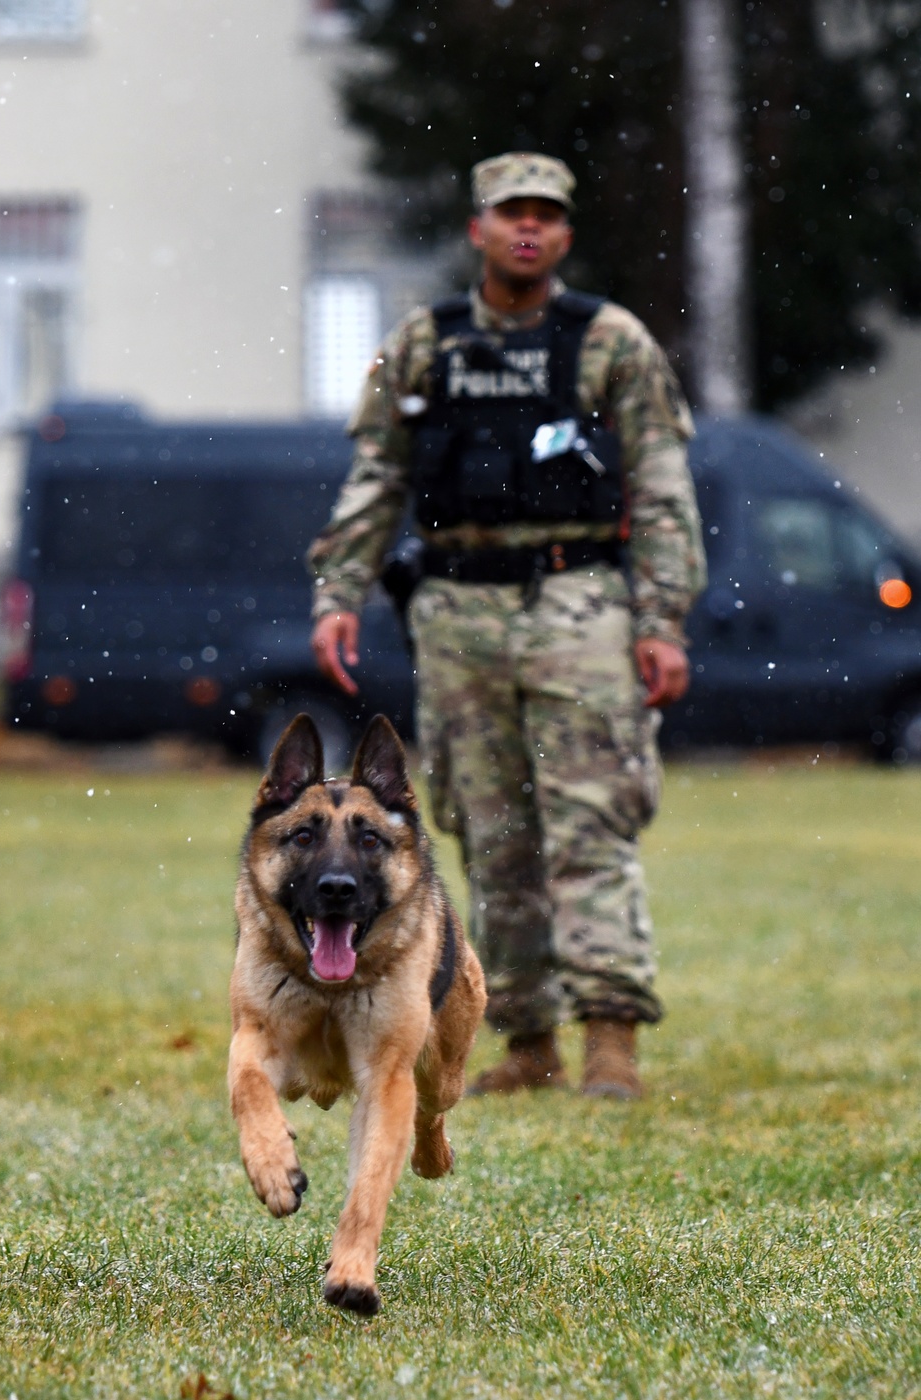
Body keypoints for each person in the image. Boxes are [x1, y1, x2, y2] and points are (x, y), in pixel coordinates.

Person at [307, 151, 706, 1098]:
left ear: (566, 233)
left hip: (579, 606)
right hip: (457, 614)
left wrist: (663, 618)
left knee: (590, 824)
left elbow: (659, 488)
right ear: (478, 228)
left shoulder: (610, 342)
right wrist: (338, 593)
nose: (529, 228)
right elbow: (377, 477)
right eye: (509, 212)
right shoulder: (426, 345)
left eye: (548, 214)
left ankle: (611, 1038)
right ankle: (526, 1038)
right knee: (489, 830)